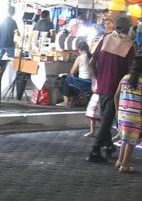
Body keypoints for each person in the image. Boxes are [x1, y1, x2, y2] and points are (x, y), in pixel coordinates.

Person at [87, 15, 136, 163]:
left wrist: (97, 79)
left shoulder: (105, 39)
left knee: (105, 119)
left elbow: (91, 63)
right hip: (116, 89)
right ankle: (95, 151)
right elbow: (130, 73)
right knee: (107, 120)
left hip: (101, 86)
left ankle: (108, 146)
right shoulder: (129, 46)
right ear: (128, 28)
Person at [114, 55, 142, 173]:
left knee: (125, 139)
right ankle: (124, 165)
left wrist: (117, 111)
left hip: (122, 114)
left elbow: (116, 95)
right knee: (131, 142)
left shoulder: (125, 78)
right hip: (136, 116)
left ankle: (120, 161)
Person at [60, 41, 93, 107]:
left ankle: (66, 101)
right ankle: (74, 100)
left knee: (67, 79)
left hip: (83, 82)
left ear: (79, 50)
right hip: (91, 82)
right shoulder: (92, 56)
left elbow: (72, 71)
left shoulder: (80, 58)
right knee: (72, 80)